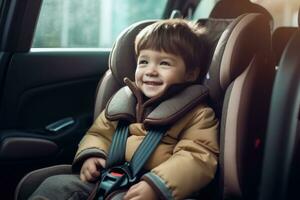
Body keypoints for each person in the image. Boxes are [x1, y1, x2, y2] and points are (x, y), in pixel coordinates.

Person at [29, 18, 219, 200]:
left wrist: (156, 186)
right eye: (144, 62)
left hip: (155, 188)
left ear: (191, 73)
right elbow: (99, 134)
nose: (150, 70)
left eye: (164, 63)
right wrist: (93, 154)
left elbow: (197, 157)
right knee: (54, 186)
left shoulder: (198, 114)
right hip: (108, 177)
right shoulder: (124, 103)